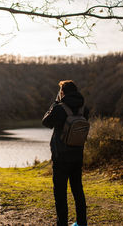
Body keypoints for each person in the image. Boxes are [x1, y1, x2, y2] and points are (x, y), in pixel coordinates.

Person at [42, 80, 88, 226]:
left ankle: (62, 224)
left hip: (61, 156)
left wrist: (56, 103)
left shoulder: (59, 108)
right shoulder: (84, 108)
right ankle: (81, 223)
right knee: (78, 190)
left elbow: (46, 122)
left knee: (60, 194)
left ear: (62, 92)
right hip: (77, 156)